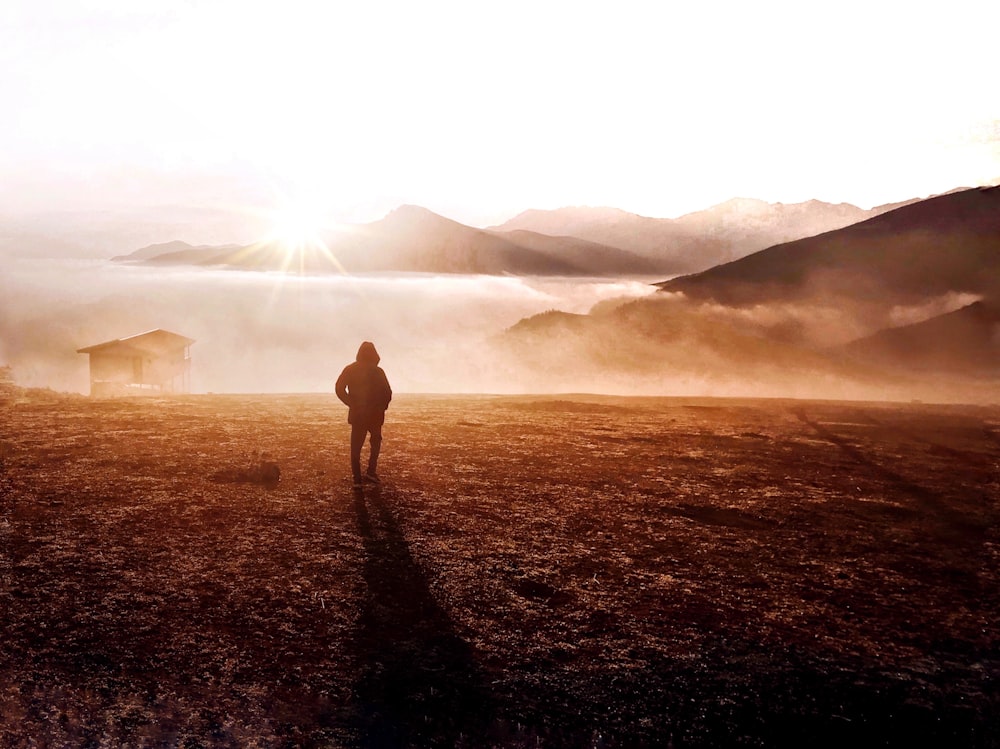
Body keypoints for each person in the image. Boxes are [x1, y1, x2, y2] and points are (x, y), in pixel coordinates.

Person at [335, 341, 392, 488]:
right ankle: (371, 472)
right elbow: (388, 393)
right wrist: (381, 407)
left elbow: (339, 388)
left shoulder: (350, 369)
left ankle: (357, 479)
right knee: (375, 442)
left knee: (356, 446)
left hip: (358, 414)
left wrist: (351, 403)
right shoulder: (378, 371)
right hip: (375, 415)